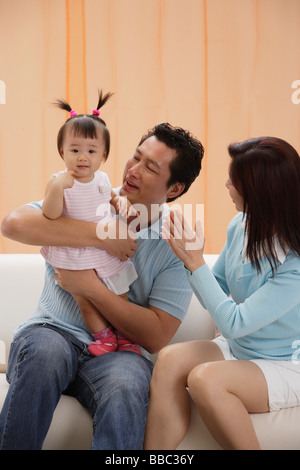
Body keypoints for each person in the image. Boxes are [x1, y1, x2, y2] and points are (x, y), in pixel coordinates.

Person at [0, 121, 204, 450]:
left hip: (119, 354)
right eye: (135, 157)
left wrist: (89, 288)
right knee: (45, 354)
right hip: (52, 331)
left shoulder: (176, 243)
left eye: (150, 167)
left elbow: (155, 336)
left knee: (126, 382)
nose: (134, 171)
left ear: (174, 189)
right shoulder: (88, 195)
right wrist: (104, 237)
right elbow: (13, 225)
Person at [144, 136, 300, 450]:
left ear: (261, 193)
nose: (227, 184)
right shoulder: (241, 225)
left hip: (285, 363)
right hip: (241, 349)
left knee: (205, 378)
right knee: (171, 358)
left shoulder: (294, 264)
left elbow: (234, 323)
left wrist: (195, 261)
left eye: (235, 180)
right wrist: (187, 260)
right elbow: (215, 289)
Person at [41, 91, 140, 357]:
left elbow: (111, 198)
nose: (82, 157)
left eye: (91, 151)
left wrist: (120, 204)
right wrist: (57, 188)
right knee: (84, 299)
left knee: (119, 293)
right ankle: (104, 337)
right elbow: (50, 216)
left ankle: (127, 338)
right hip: (77, 250)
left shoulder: (103, 180)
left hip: (105, 248)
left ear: (103, 155)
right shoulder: (59, 181)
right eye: (74, 150)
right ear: (62, 152)